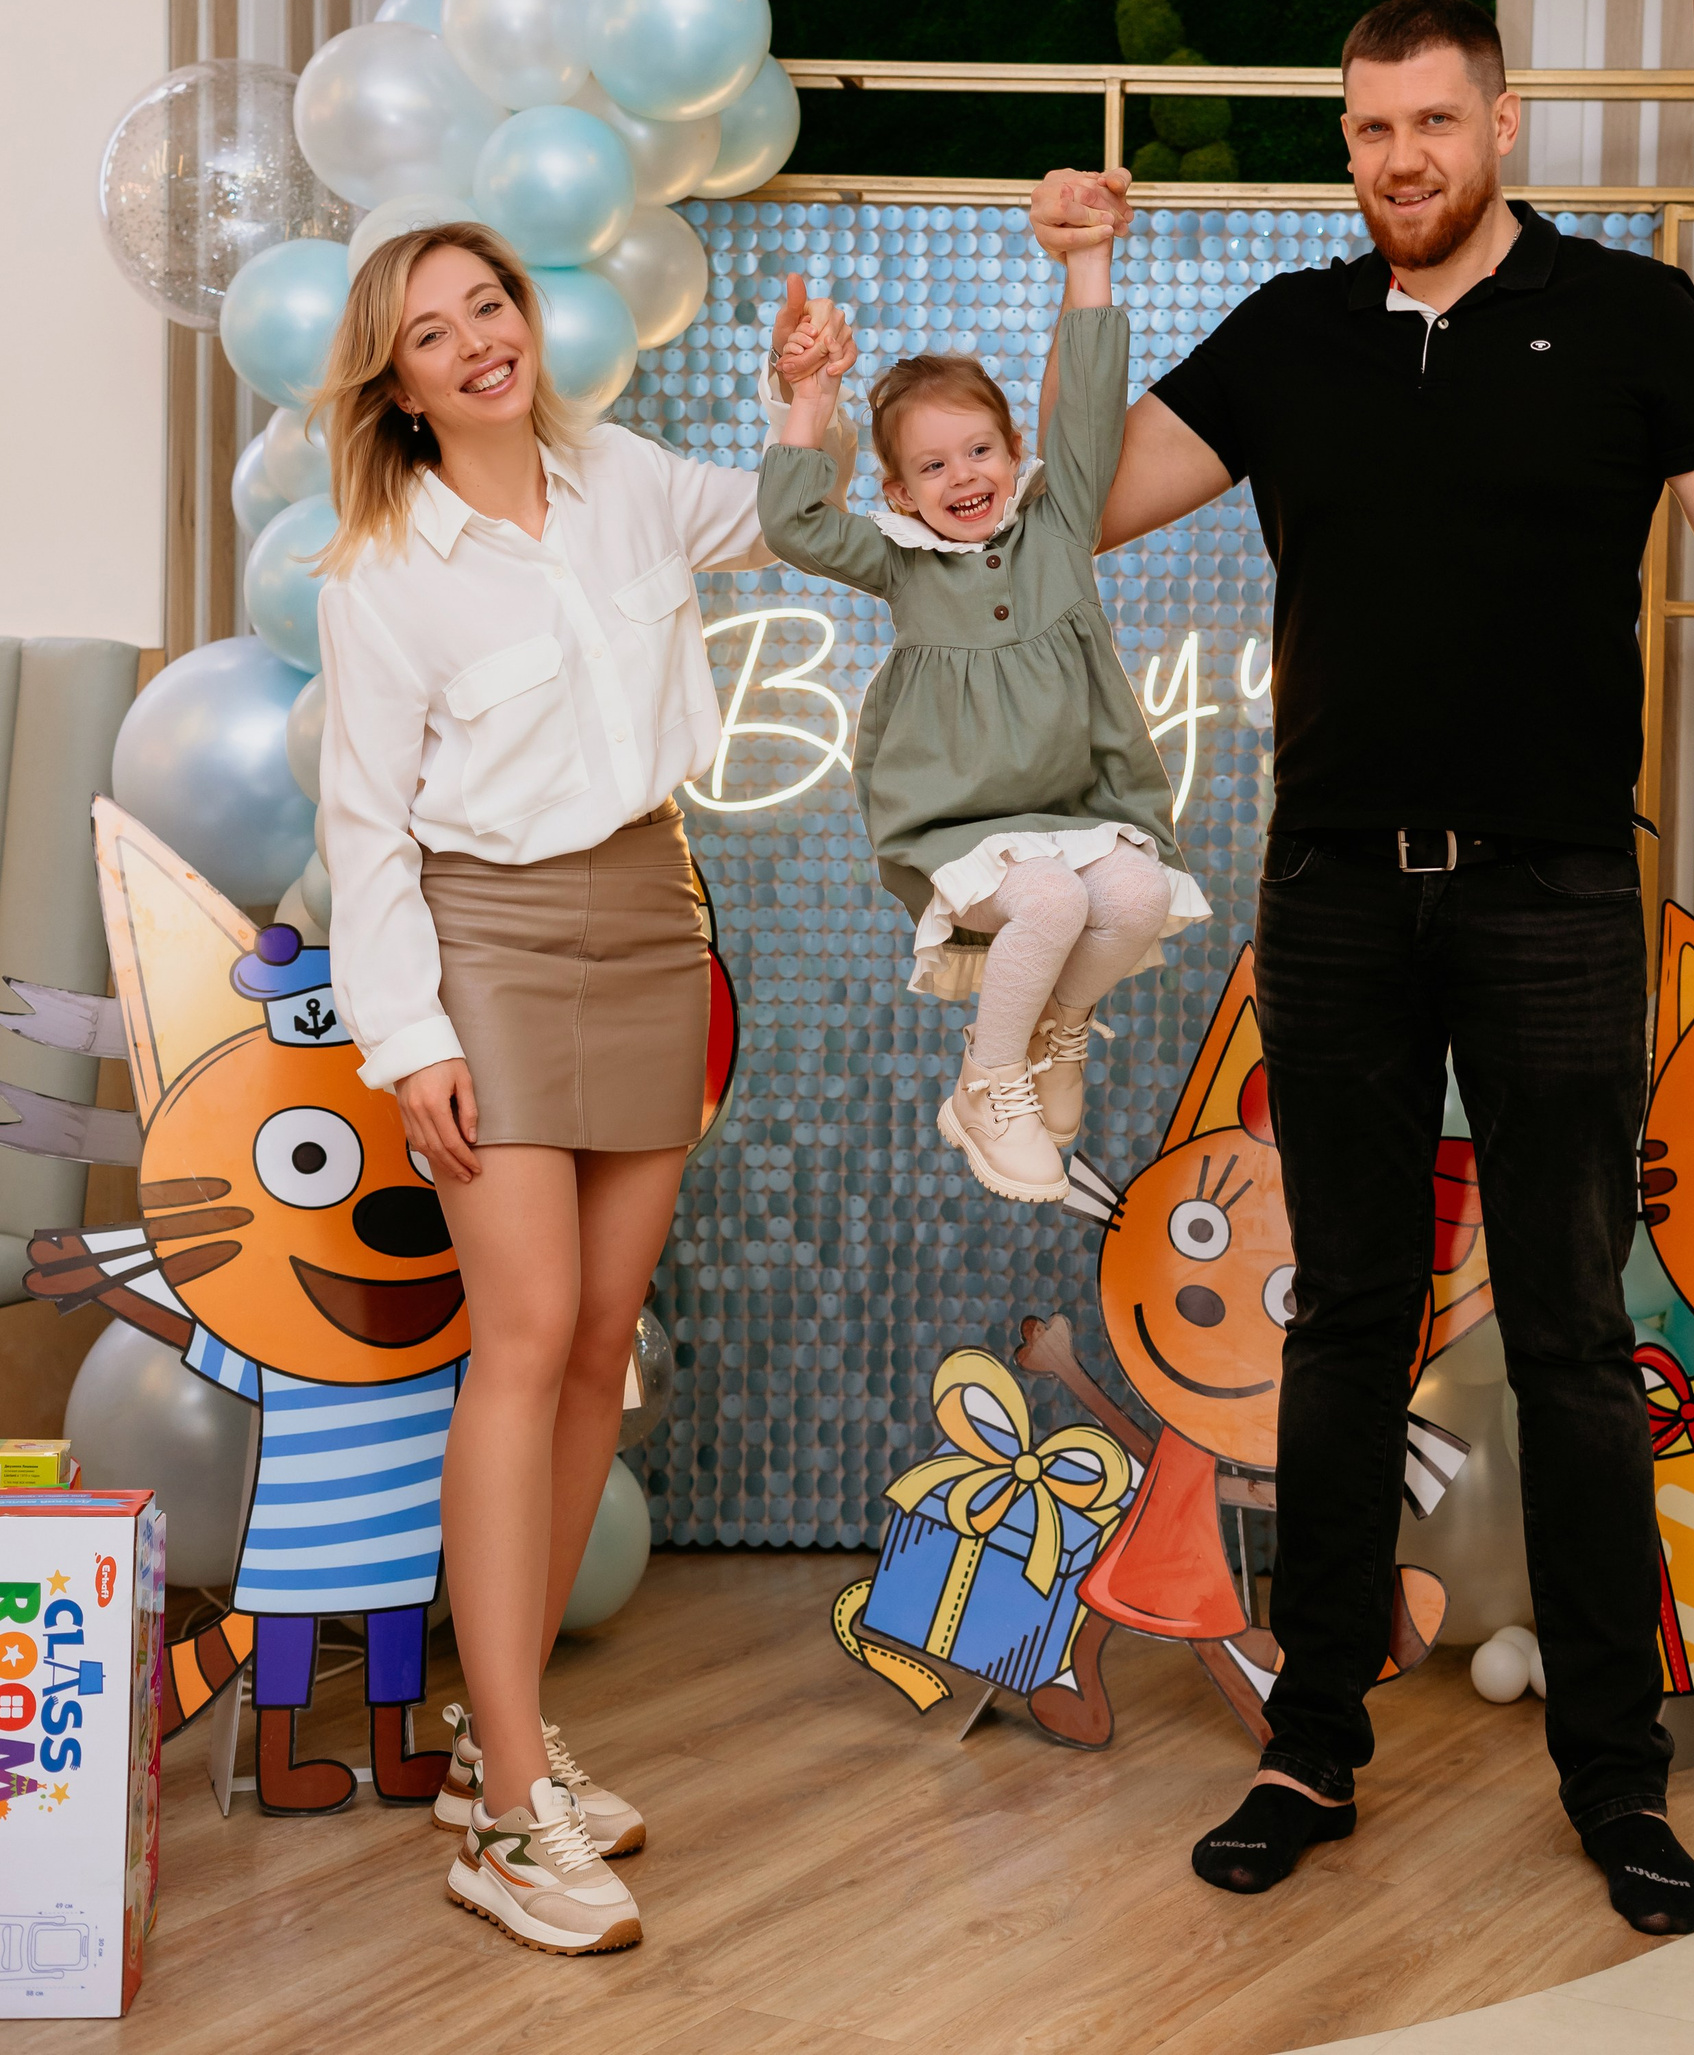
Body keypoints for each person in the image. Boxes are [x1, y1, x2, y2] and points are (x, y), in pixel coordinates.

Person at [1029, 0, 1694, 1937]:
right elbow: (1071, 511)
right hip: (1335, 893)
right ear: (1346, 144)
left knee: (1574, 1334)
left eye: (1433, 121)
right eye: (1370, 129)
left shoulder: (1631, 317)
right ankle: (1310, 1745)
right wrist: (1087, 285)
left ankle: (1614, 1774)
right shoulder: (1292, 334)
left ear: (1500, 125)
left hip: (1553, 894)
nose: (1400, 157)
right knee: (1343, 1323)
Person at [314, 220, 850, 1955]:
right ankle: (508, 1822)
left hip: (650, 915)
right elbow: (365, 832)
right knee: (527, 1330)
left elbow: (785, 516)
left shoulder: (624, 477)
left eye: (491, 304)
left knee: (602, 1339)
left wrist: (803, 403)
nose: (479, 339)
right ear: (397, 383)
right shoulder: (383, 571)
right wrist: (411, 1040)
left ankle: (503, 1747)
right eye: (434, 330)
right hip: (488, 941)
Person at [757, 218, 1209, 1205]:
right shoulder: (901, 560)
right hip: (957, 820)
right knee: (1048, 900)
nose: (962, 476)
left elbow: (1089, 400)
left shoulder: (1060, 521)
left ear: (1016, 450)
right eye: (932, 466)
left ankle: (1056, 1030)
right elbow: (792, 523)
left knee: (1134, 895)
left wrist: (1089, 263)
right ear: (897, 491)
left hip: (1074, 804)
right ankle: (986, 1079)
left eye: (978, 450)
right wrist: (811, 397)